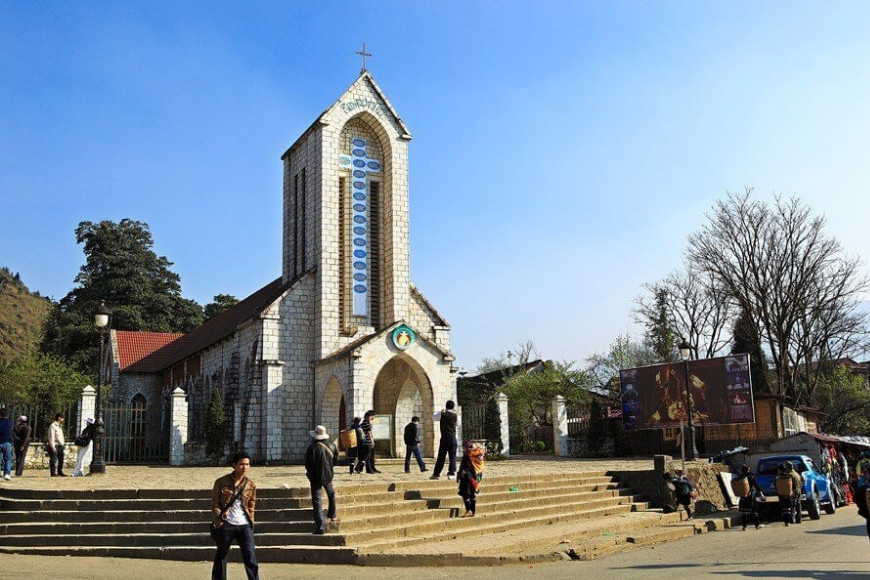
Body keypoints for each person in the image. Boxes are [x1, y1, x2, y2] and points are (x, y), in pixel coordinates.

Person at [211, 451, 259, 580]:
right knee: (221, 556)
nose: (245, 467)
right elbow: (215, 504)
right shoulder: (221, 482)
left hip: (244, 525)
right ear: (234, 465)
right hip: (227, 524)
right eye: (242, 464)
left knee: (250, 555)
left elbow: (251, 504)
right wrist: (219, 522)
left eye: (247, 464)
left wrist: (251, 521)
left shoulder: (251, 484)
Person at [305, 424, 338, 534]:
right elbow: (335, 460)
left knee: (317, 500)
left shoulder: (312, 448)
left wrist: (310, 473)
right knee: (331, 494)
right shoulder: (332, 446)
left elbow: (308, 464)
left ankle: (320, 526)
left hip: (315, 477)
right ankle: (332, 514)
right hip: (328, 475)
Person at [430, 400, 458, 480]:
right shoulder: (455, 415)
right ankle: (451, 473)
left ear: (446, 406)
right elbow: (458, 424)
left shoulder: (442, 414)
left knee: (441, 457)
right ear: (453, 407)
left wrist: (441, 411)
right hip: (452, 438)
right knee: (452, 457)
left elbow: (433, 418)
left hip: (444, 438)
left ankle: (436, 474)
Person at [732, 464, 764, 530]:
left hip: (743, 497)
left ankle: (744, 527)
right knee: (754, 512)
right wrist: (761, 494)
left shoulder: (741, 477)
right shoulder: (751, 476)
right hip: (751, 496)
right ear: (748, 469)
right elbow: (756, 485)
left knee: (744, 512)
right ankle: (757, 526)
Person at [457, 440, 484, 517]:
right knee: (471, 493)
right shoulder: (477, 454)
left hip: (468, 477)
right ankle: (473, 511)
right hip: (476, 476)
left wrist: (463, 473)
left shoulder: (469, 455)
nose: (465, 449)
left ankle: (469, 510)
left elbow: (467, 467)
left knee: (465, 493)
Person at [46, 412, 67, 477]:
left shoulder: (60, 426)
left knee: (61, 459)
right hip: (55, 444)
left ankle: (59, 471)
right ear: (59, 418)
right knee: (54, 459)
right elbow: (51, 436)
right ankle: (53, 472)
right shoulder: (53, 425)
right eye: (62, 418)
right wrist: (52, 446)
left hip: (60, 445)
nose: (63, 419)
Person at [0, 408, 13, 480]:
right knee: (7, 459)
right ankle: (7, 474)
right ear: (7, 414)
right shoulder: (10, 422)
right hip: (7, 442)